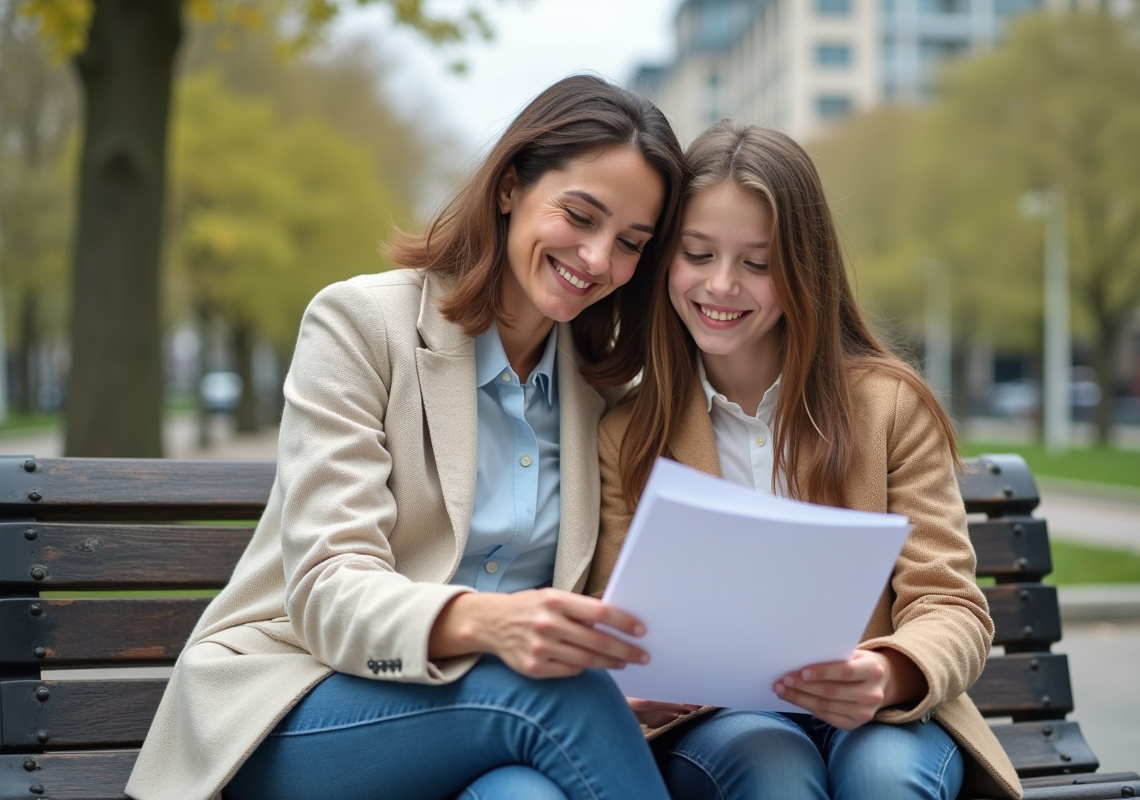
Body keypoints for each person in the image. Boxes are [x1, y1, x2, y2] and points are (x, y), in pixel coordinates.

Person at [125, 75, 685, 800]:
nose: (598, 259)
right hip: (297, 702)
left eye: (631, 243)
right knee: (561, 696)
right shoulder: (362, 325)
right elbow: (328, 590)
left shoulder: (601, 392)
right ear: (510, 186)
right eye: (581, 216)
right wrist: (493, 625)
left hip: (485, 722)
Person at [584, 121, 1023, 800]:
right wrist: (637, 685)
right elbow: (623, 625)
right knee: (773, 766)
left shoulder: (889, 407)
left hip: (878, 716)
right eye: (697, 254)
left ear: (803, 269)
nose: (722, 285)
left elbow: (950, 606)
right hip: (718, 723)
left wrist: (887, 673)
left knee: (886, 776)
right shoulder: (628, 434)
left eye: (757, 264)